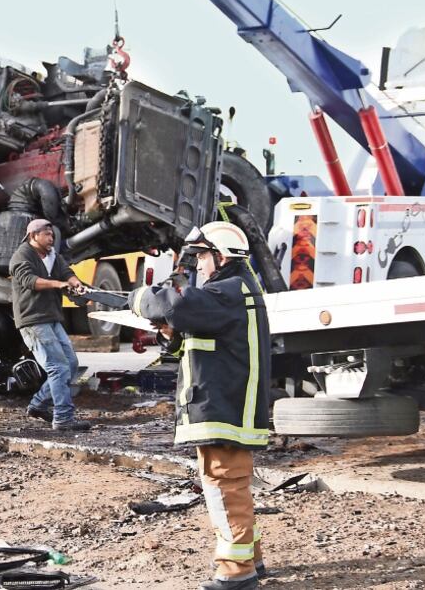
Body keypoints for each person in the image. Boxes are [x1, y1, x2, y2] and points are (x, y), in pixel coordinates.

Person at [136, 221, 270, 590]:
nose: (197, 266)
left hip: (223, 407)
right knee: (233, 485)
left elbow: (173, 302)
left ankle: (236, 571)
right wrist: (170, 333)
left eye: (201, 258)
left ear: (221, 256)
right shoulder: (234, 290)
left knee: (224, 484)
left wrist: (137, 300)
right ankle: (251, 559)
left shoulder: (225, 291)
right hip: (224, 403)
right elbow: (190, 339)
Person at [9, 218, 90, 431]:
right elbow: (30, 281)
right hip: (33, 320)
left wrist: (75, 283)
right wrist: (58, 284)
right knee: (58, 367)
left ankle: (38, 404)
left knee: (70, 364)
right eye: (47, 234)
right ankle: (63, 418)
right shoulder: (21, 256)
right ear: (33, 236)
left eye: (52, 235)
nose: (51, 238)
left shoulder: (53, 255)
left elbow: (66, 273)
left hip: (52, 317)